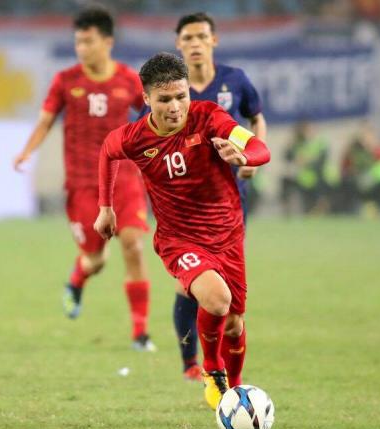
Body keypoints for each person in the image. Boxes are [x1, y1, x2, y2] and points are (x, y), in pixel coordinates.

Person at [94, 52, 270, 409]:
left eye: (181, 96)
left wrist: (244, 157)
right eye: (164, 99)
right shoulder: (134, 137)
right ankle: (212, 370)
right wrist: (105, 209)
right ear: (146, 99)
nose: (175, 107)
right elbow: (108, 152)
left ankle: (234, 394)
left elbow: (259, 147)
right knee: (217, 300)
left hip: (228, 235)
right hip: (179, 240)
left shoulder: (209, 117)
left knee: (234, 324)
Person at [13, 7, 155, 351]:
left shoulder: (128, 80)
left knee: (134, 246)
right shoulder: (66, 81)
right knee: (96, 258)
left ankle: (140, 333)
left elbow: (153, 117)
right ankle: (78, 278)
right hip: (82, 184)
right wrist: (27, 151)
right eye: (78, 42)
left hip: (124, 178)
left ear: (107, 42)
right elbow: (46, 120)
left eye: (88, 41)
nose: (81, 48)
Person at [135, 12, 267, 380]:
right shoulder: (166, 91)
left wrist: (251, 157)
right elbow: (141, 137)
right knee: (192, 285)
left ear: (214, 40)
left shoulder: (235, 81)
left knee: (229, 301)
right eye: (188, 38)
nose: (195, 44)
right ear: (178, 44)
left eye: (201, 36)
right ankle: (192, 364)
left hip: (229, 202)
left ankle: (221, 375)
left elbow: (256, 119)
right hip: (181, 208)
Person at [338, 125, 380, 217]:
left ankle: (378, 212)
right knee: (347, 184)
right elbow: (344, 168)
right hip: (356, 183)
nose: (366, 139)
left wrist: (373, 150)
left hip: (374, 183)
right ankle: (352, 212)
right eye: (364, 135)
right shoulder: (353, 150)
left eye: (368, 136)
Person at [280, 121, 331, 216]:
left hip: (318, 175)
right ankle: (286, 209)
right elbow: (287, 156)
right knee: (285, 181)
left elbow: (322, 161)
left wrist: (307, 162)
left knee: (320, 183)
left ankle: (321, 206)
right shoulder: (298, 143)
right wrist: (290, 145)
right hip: (303, 177)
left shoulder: (320, 143)